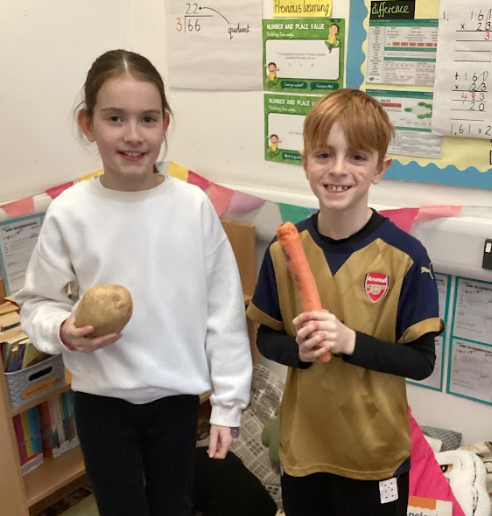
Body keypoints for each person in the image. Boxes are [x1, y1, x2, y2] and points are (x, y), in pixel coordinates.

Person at [16, 49, 252, 516]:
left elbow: (223, 310)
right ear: (88, 124)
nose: (132, 135)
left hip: (176, 400)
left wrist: (229, 404)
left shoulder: (192, 207)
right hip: (101, 402)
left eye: (147, 119)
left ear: (165, 123)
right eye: (114, 118)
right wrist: (61, 330)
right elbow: (36, 303)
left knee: (173, 506)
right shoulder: (70, 210)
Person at [246, 88, 444, 516]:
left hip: (375, 457)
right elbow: (266, 337)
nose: (338, 170)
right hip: (304, 447)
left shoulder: (406, 257)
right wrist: (296, 351)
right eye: (323, 155)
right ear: (305, 161)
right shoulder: (284, 251)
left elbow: (421, 362)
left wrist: (350, 341)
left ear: (380, 168)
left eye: (357, 156)